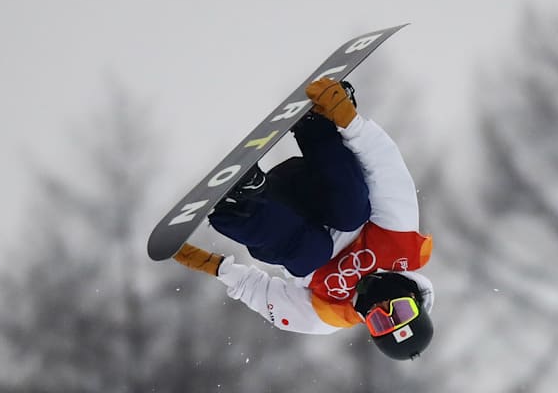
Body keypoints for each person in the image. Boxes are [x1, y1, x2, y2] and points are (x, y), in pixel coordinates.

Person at [173, 78, 435, 360]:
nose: (383, 306)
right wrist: (350, 122)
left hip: (274, 211)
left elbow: (264, 296)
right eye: (401, 310)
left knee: (313, 254)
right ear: (415, 299)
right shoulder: (402, 246)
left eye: (381, 321)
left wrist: (217, 267)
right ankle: (317, 126)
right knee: (352, 214)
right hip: (313, 186)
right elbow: (386, 171)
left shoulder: (329, 314)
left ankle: (240, 203)